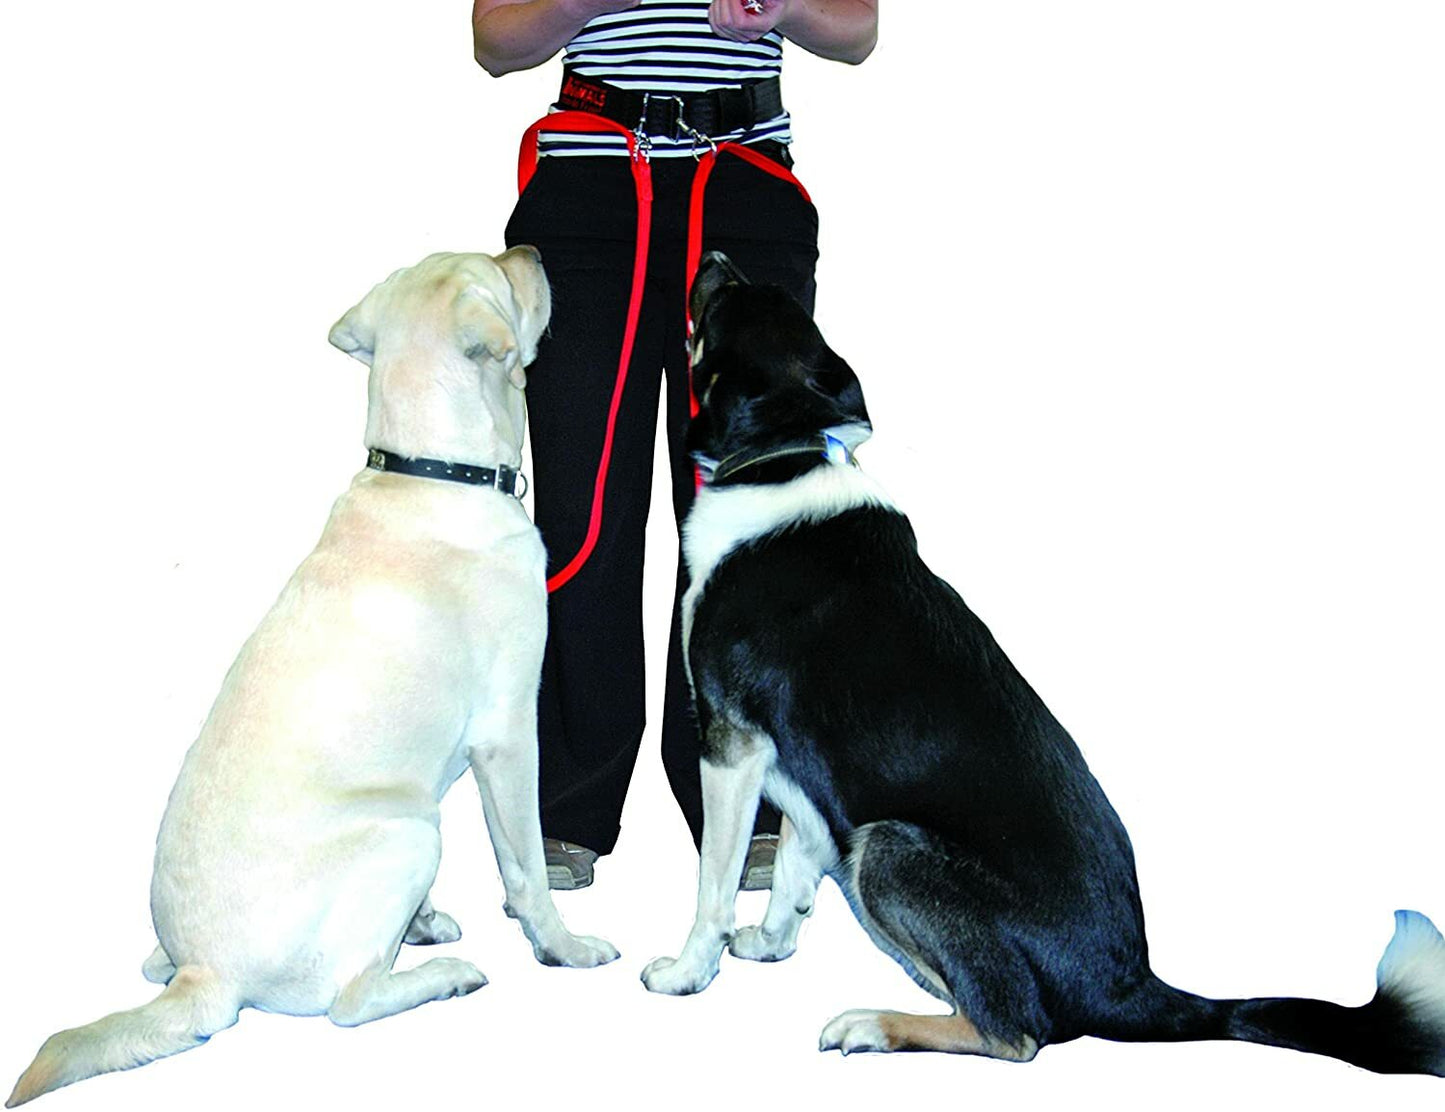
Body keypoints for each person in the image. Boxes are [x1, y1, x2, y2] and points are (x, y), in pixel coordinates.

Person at [472, 0, 878, 890]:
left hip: (743, 189)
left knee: (745, 522)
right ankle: (567, 804)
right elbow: (494, 42)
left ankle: (755, 804)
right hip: (590, 192)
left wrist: (784, 8)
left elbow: (856, 32)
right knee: (581, 517)